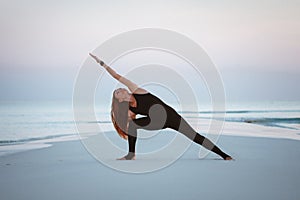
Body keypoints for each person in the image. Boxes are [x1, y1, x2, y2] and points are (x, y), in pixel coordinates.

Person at [89, 53, 233, 161]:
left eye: (120, 89)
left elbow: (116, 75)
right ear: (119, 99)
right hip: (155, 122)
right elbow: (128, 124)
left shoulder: (137, 90)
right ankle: (131, 155)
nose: (120, 89)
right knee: (133, 125)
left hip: (171, 117)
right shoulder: (129, 110)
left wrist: (101, 63)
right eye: (117, 92)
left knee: (195, 136)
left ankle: (224, 155)